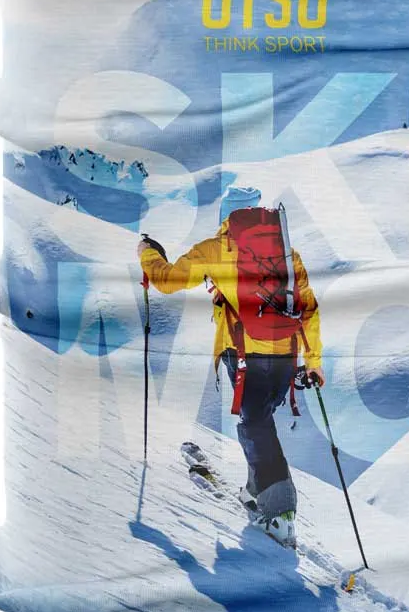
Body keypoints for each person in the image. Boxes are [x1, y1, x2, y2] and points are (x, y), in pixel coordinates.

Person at [137, 195, 323, 548]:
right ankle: (257, 490)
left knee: (255, 427)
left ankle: (280, 513)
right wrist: (313, 362)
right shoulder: (286, 254)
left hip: (243, 355)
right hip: (285, 356)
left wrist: (147, 254)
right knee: (260, 420)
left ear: (228, 219)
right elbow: (309, 309)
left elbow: (166, 280)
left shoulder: (217, 249)